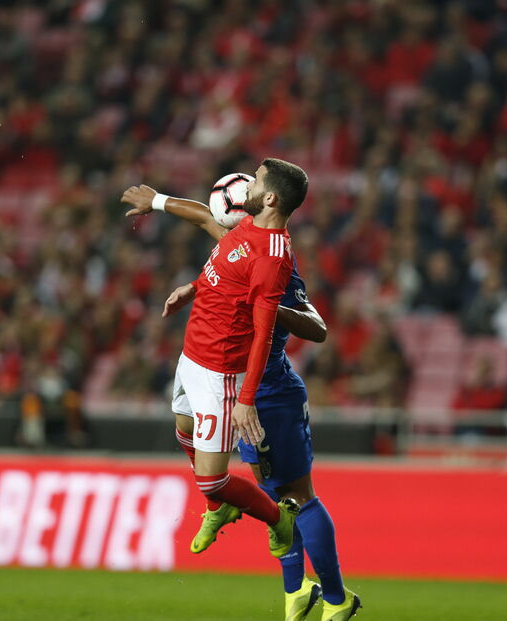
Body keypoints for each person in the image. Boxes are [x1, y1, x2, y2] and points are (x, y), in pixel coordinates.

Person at [122, 161, 361, 621]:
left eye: (255, 180)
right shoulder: (247, 232)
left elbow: (318, 328)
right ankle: (294, 592)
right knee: (264, 489)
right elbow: (213, 234)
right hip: (228, 376)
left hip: (262, 388)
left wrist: (269, 306)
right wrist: (194, 283)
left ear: (270, 198)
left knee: (295, 496)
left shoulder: (276, 264)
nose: (245, 185)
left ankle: (335, 598)